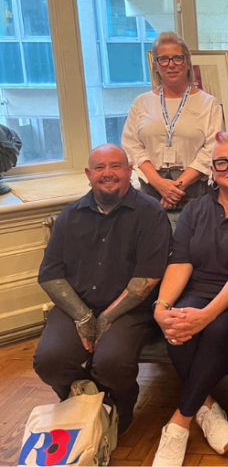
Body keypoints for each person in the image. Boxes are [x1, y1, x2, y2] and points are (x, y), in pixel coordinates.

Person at [150, 130, 228, 466]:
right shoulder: (195, 210)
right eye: (221, 162)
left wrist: (208, 314)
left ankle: (178, 423)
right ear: (213, 170)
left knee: (215, 330)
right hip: (198, 291)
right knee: (177, 325)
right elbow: (181, 261)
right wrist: (163, 308)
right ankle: (207, 409)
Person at [34, 144, 172, 433]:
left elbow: (147, 279)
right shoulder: (70, 215)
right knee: (50, 361)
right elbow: (49, 274)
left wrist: (106, 318)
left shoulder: (150, 213)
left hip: (129, 310)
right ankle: (79, 398)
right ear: (88, 174)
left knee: (112, 363)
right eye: (100, 167)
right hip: (76, 305)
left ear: (129, 171)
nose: (108, 173)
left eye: (116, 166)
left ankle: (121, 402)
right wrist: (84, 317)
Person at [122, 31, 224, 219]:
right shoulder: (141, 103)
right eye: (164, 59)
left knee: (192, 245)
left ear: (187, 62)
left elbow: (213, 148)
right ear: (155, 66)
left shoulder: (209, 104)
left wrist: (178, 186)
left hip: (193, 191)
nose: (171, 65)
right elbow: (131, 145)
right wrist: (159, 183)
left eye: (177, 58)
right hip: (151, 190)